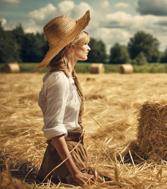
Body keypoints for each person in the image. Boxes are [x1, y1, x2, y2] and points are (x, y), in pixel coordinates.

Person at [36, 10, 103, 186]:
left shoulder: (68, 78)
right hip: (62, 159)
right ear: (70, 46)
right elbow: (54, 130)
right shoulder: (59, 80)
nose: (89, 47)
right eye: (84, 44)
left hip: (74, 151)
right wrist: (75, 173)